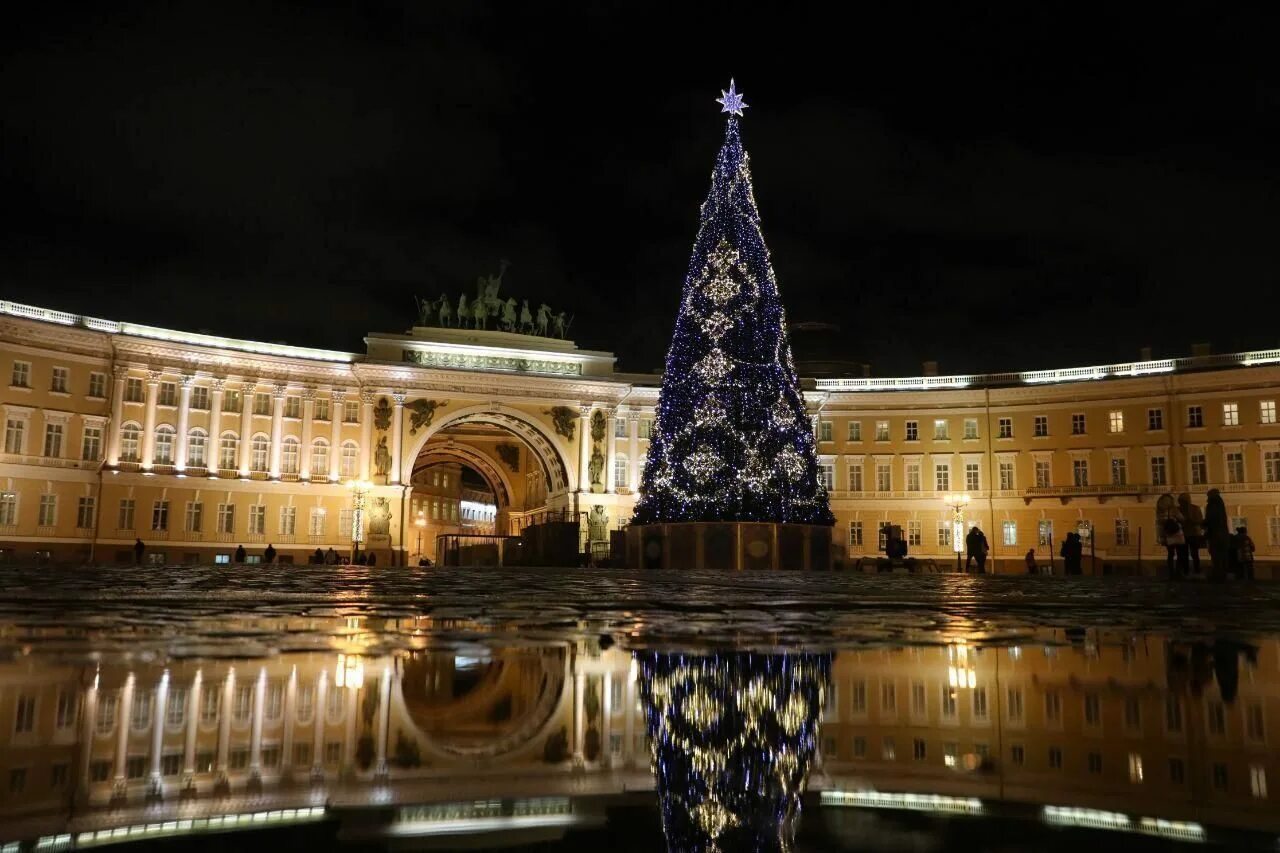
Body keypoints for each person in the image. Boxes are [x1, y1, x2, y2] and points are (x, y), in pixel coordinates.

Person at [1203, 489, 1230, 581]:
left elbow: (1210, 519)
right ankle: (1222, 575)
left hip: (1215, 534)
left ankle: (1217, 575)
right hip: (1223, 534)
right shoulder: (1220, 504)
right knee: (1222, 556)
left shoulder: (1212, 505)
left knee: (1216, 556)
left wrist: (1202, 524)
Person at [1178, 493, 1204, 577]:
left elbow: (1199, 521)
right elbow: (1200, 521)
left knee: (1189, 554)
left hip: (1188, 534)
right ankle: (1194, 570)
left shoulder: (1180, 509)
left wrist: (1189, 521)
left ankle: (1189, 570)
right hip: (1190, 534)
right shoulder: (1195, 508)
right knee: (1191, 554)